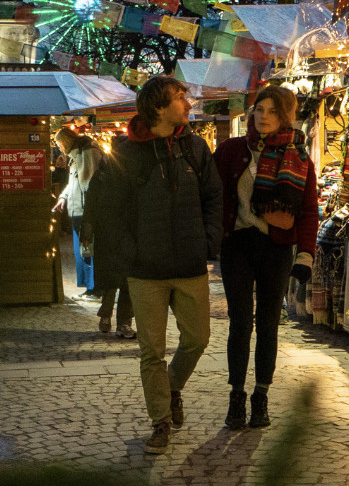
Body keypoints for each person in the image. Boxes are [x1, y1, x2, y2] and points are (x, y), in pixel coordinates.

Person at [89, 76, 222, 453]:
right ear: (159, 107)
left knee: (197, 340)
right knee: (152, 351)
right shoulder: (127, 153)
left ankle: (172, 387)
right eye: (180, 97)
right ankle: (160, 421)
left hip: (189, 264)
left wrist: (208, 242)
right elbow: (109, 211)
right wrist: (132, 252)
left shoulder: (195, 147)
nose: (188, 101)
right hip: (146, 270)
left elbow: (214, 197)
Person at [213, 86, 319, 430]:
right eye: (259, 109)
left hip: (276, 248)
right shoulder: (231, 151)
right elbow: (213, 198)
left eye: (272, 111)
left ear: (285, 116)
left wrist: (305, 253)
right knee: (240, 322)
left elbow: (308, 210)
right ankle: (236, 397)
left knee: (269, 323)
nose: (263, 116)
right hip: (238, 247)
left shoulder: (300, 157)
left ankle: (261, 396)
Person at [81, 145, 136, 339]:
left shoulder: (128, 176)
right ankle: (115, 320)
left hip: (123, 234)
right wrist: (87, 232)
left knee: (124, 280)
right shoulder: (103, 177)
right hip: (110, 234)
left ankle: (117, 321)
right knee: (115, 279)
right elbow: (91, 205)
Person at [52, 128, 103, 300]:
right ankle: (90, 287)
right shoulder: (75, 156)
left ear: (66, 142)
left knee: (87, 249)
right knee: (82, 250)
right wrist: (64, 197)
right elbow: (74, 183)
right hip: (76, 209)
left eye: (59, 144)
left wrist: (89, 209)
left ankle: (95, 288)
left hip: (85, 210)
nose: (59, 148)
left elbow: (89, 184)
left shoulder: (87, 152)